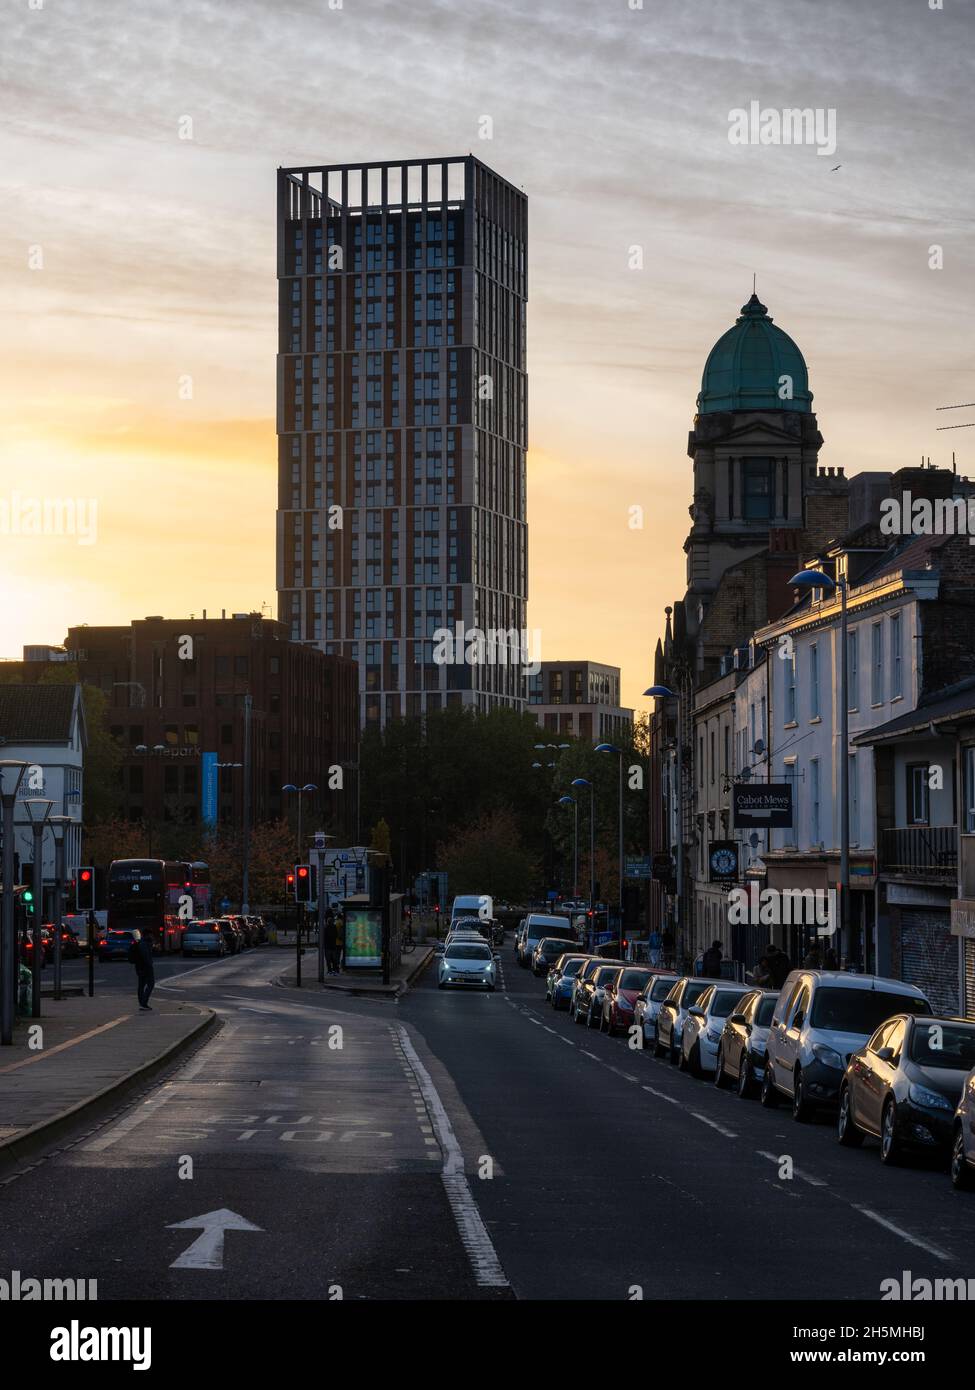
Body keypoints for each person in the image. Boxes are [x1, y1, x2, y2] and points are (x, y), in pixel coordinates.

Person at [127, 929, 155, 1010]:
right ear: (148, 935)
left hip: (140, 967)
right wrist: (150, 965)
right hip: (145, 967)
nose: (152, 936)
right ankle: (143, 1003)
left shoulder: (142, 943)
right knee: (150, 984)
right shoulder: (144, 944)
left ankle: (142, 1003)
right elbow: (146, 957)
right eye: (151, 935)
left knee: (141, 985)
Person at [323, 908, 340, 975]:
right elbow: (336, 935)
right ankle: (335, 970)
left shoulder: (325, 927)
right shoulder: (334, 927)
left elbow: (324, 937)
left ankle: (329, 970)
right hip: (333, 945)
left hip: (327, 946)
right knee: (334, 959)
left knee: (328, 959)